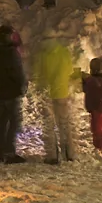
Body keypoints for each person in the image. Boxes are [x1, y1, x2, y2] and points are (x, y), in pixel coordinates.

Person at [30, 36, 77, 164]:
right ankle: (69, 154)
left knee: (48, 125)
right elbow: (70, 70)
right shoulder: (64, 51)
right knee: (64, 123)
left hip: (47, 93)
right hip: (62, 92)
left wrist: (39, 86)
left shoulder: (42, 54)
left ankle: (52, 156)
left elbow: (37, 74)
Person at [0, 24, 27, 164]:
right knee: (13, 122)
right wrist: (22, 86)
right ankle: (9, 153)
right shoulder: (11, 51)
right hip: (11, 91)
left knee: (2, 122)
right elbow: (17, 71)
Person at [83, 58, 102, 156]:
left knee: (100, 128)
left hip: (97, 107)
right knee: (96, 128)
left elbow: (90, 84)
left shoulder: (96, 80)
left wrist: (84, 79)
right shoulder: (101, 79)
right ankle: (99, 147)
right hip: (97, 107)